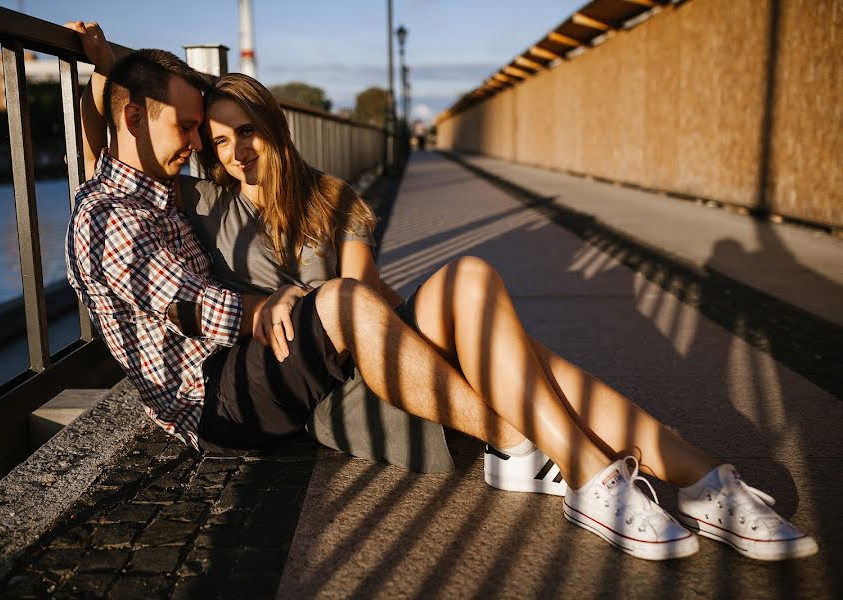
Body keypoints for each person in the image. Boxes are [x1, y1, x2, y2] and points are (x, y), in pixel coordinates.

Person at [64, 22, 817, 562]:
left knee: (473, 281)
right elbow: (126, 185)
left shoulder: (330, 197)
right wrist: (104, 71)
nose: (227, 152)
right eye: (213, 139)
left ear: (277, 126)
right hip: (323, 382)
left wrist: (106, 63)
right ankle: (577, 460)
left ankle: (703, 478)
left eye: (240, 133)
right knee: (508, 365)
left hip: (366, 346)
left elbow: (136, 153)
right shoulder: (195, 201)